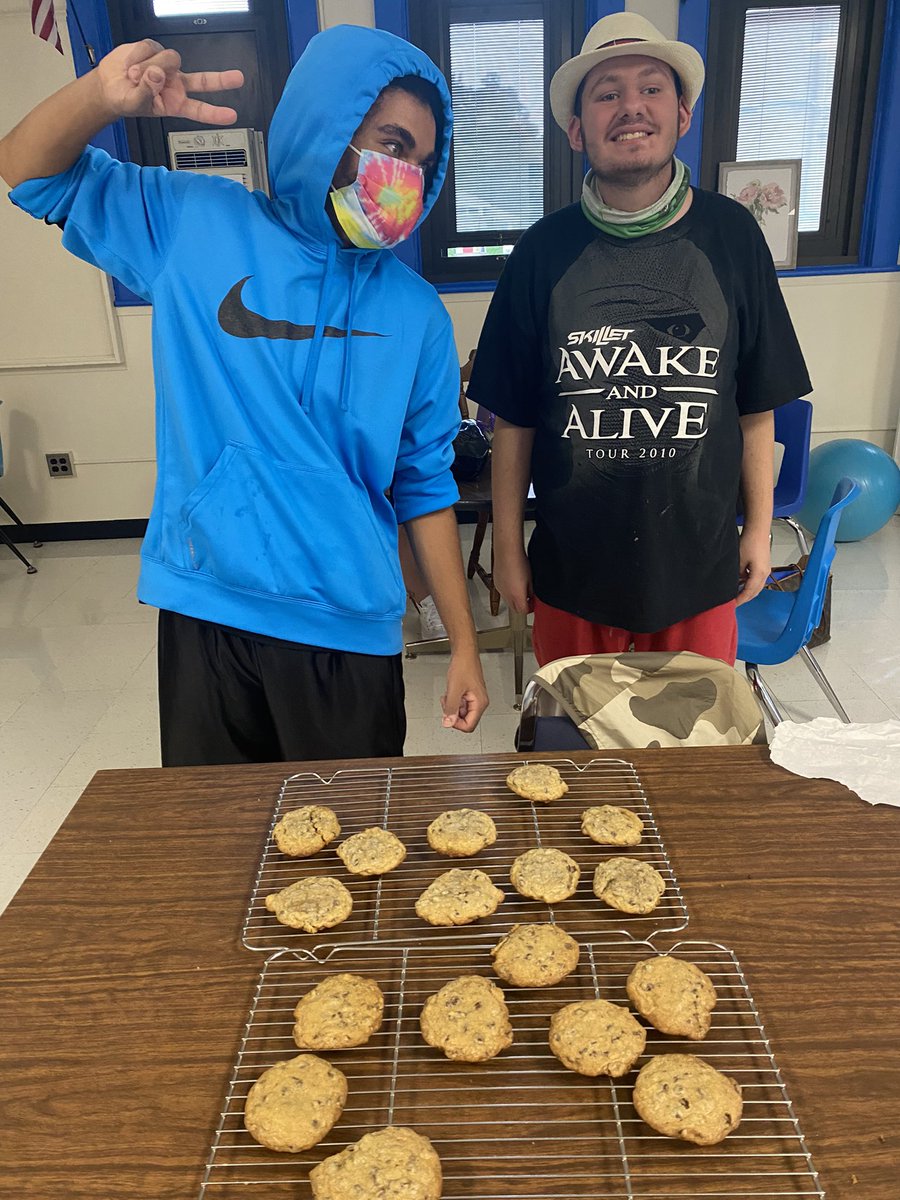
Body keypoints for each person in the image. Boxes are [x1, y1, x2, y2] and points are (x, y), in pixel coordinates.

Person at [0, 24, 488, 764]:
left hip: (347, 629)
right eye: (391, 145)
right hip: (208, 609)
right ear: (330, 125)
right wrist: (101, 96)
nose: (407, 177)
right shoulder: (194, 224)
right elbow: (28, 172)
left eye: (422, 161)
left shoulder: (416, 312)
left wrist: (463, 643)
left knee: (349, 858)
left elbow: (424, 484)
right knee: (222, 856)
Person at [468, 13, 812, 668]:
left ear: (682, 114)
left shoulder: (734, 237)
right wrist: (508, 550)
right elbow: (512, 422)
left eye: (651, 88)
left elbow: (756, 404)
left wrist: (761, 532)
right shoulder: (540, 254)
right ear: (577, 128)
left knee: (690, 767)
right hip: (573, 576)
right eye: (607, 93)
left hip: (699, 572)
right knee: (578, 759)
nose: (631, 107)